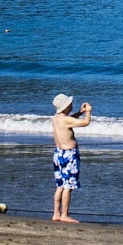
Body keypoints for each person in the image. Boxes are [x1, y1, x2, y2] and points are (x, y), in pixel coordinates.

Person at [50, 92, 92, 223]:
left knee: (60, 185)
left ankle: (56, 213)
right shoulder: (66, 119)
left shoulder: (56, 118)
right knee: (68, 186)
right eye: (70, 104)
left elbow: (71, 120)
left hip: (58, 154)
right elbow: (85, 122)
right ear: (65, 106)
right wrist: (88, 112)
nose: (71, 105)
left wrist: (80, 111)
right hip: (69, 155)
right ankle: (65, 215)